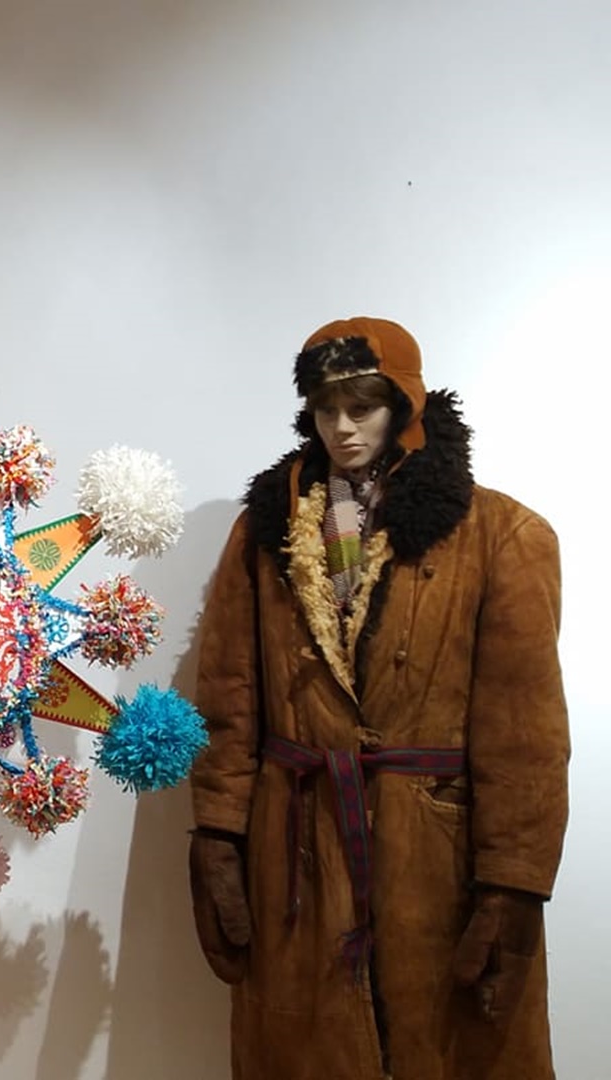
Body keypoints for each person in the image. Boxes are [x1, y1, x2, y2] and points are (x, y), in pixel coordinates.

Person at [188, 317, 569, 1078]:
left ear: (404, 406)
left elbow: (525, 731)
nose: (342, 427)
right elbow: (228, 695)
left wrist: (513, 882)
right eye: (326, 408)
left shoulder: (501, 534)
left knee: (449, 1040)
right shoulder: (266, 535)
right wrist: (219, 835)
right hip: (299, 845)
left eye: (361, 407)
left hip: (437, 851)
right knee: (309, 1046)